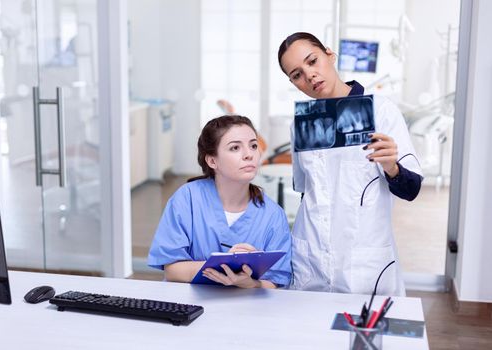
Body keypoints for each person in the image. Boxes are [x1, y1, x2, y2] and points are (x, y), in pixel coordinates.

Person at [278, 32, 423, 296]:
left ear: (330, 55)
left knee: (365, 333)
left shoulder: (380, 110)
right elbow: (306, 191)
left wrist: (392, 167)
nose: (309, 75)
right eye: (296, 74)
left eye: (312, 61)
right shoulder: (302, 123)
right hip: (310, 256)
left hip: (364, 258)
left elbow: (411, 190)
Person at [147, 115, 292, 288]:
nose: (249, 155)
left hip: (247, 309)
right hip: (190, 305)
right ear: (212, 161)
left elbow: (277, 282)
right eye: (235, 148)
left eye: (253, 146)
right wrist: (226, 266)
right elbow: (172, 269)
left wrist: (251, 283)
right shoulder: (187, 199)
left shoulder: (273, 215)